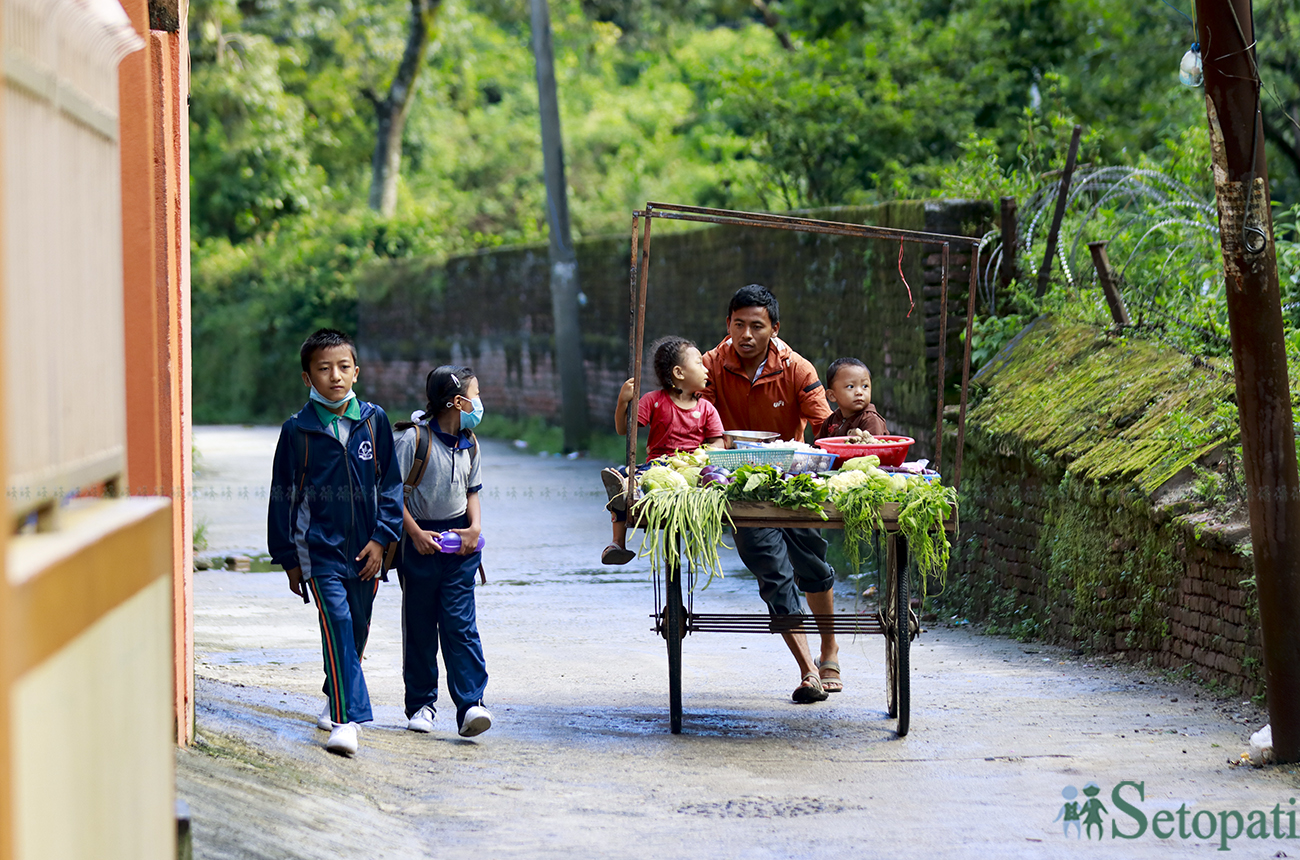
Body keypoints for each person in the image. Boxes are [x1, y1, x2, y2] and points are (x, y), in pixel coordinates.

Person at [699, 285, 840, 703]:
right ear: (727, 325)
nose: (746, 334)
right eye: (738, 324)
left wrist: (853, 435)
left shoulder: (797, 368)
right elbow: (697, 419)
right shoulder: (708, 366)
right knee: (773, 573)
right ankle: (808, 670)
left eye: (756, 326)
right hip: (738, 487)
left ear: (774, 329)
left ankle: (829, 648)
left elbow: (826, 428)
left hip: (793, 483)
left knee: (812, 566)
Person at [267, 328, 404, 757]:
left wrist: (382, 539)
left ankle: (335, 691)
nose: (335, 376)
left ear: (356, 371)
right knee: (338, 624)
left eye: (343, 367)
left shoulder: (373, 420)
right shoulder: (297, 432)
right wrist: (289, 557)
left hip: (367, 551)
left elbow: (392, 486)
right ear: (308, 378)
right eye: (324, 369)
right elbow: (282, 497)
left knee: (356, 630)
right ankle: (346, 722)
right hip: (320, 551)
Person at [392, 365, 494, 738]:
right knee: (421, 624)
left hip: (461, 545)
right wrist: (416, 533)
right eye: (475, 393)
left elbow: (472, 492)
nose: (479, 402)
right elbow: (390, 495)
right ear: (456, 401)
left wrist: (475, 529)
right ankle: (421, 704)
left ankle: (471, 704)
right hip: (419, 543)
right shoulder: (412, 441)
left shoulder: (470, 442)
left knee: (459, 623)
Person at [600, 336, 725, 565]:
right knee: (623, 480)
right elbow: (623, 429)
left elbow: (719, 443)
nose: (706, 369)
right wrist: (622, 402)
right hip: (656, 467)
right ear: (679, 373)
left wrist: (703, 454)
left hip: (692, 470)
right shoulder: (653, 401)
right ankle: (618, 542)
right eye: (698, 363)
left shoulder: (707, 408)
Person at [817, 357, 887, 441]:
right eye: (850, 386)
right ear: (832, 395)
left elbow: (871, 450)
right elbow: (818, 446)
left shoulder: (870, 420)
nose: (859, 392)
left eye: (865, 386)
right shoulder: (831, 421)